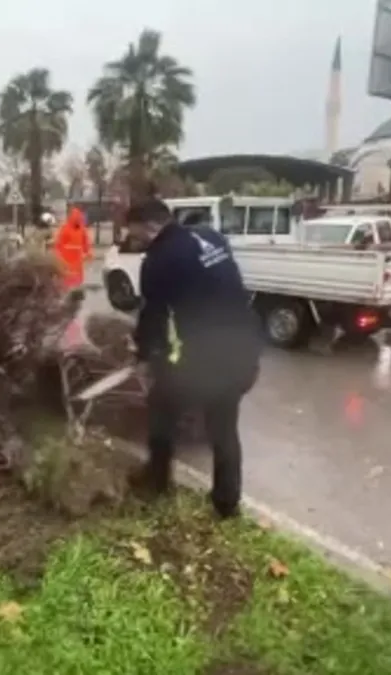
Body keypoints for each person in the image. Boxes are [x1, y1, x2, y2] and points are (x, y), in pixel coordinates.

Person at [127, 198, 261, 519]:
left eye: (135, 235)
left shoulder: (158, 260)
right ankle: (227, 505)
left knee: (160, 405)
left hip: (208, 358)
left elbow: (153, 317)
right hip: (245, 350)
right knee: (224, 427)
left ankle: (156, 483)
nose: (136, 243)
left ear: (150, 227)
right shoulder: (211, 236)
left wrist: (146, 357)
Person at [53, 207, 92, 290]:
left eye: (79, 219)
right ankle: (67, 289)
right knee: (67, 275)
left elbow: (85, 242)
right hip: (66, 258)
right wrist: (57, 255)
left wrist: (88, 252)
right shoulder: (65, 228)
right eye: (77, 219)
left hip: (77, 258)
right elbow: (59, 243)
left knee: (76, 275)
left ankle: (75, 289)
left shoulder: (82, 229)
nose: (78, 221)